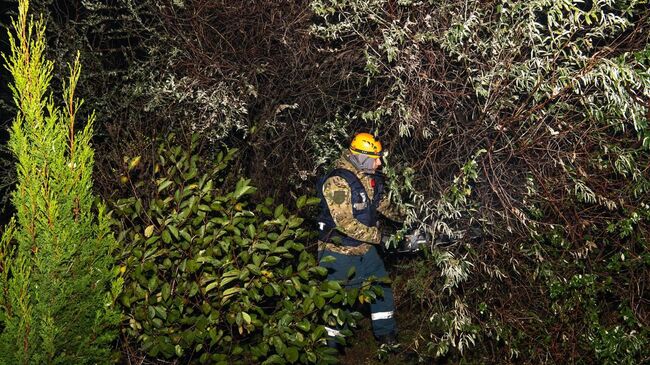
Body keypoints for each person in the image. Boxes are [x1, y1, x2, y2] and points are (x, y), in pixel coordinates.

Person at [316, 132, 404, 348]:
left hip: (364, 249)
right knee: (338, 302)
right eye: (376, 157)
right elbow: (343, 223)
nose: (379, 162)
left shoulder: (368, 177)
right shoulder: (337, 181)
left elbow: (382, 204)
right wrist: (380, 237)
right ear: (363, 157)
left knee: (381, 286)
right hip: (337, 252)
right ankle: (330, 349)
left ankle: (387, 336)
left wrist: (408, 216)